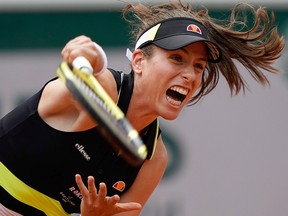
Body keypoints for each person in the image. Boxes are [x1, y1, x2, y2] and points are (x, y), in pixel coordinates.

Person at [0, 1, 285, 216]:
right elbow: (82, 71)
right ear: (138, 61)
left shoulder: (154, 158)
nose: (191, 75)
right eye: (176, 58)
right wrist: (87, 53)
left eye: (198, 66)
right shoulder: (103, 90)